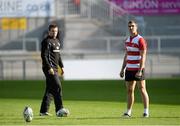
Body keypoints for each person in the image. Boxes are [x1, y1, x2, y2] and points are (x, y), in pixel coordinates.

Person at [120, 20, 149, 118]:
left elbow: (143, 56)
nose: (131, 28)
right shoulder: (127, 40)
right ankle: (128, 112)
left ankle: (146, 111)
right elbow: (126, 55)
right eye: (129, 26)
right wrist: (122, 68)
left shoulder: (140, 40)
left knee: (142, 89)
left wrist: (140, 70)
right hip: (129, 69)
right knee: (129, 90)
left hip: (138, 69)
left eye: (132, 26)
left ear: (136, 27)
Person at [40, 23, 69, 117]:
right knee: (57, 86)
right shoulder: (46, 41)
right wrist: (49, 68)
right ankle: (59, 109)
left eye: (56, 31)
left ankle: (43, 111)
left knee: (50, 89)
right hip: (49, 69)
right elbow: (43, 56)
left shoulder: (57, 41)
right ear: (49, 31)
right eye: (52, 31)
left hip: (56, 68)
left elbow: (58, 55)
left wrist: (62, 66)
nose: (54, 32)